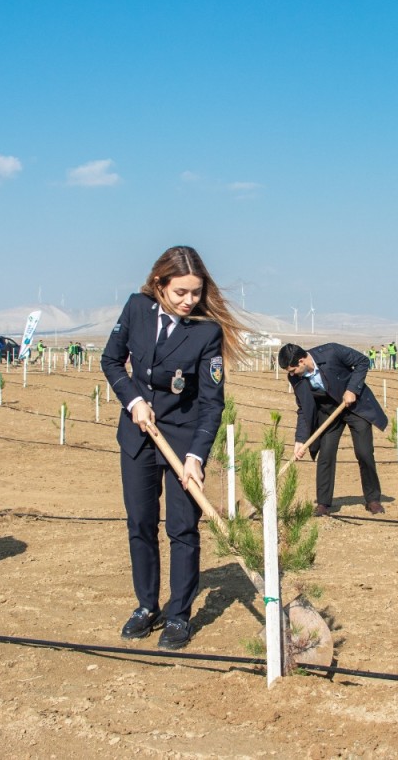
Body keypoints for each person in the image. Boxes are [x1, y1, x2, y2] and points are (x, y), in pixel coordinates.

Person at [101, 245, 244, 651]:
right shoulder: (135, 309)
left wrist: (196, 457)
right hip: (137, 435)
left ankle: (179, 615)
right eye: (180, 292)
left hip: (182, 442)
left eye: (195, 293)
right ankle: (147, 606)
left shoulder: (205, 331)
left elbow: (211, 402)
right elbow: (111, 361)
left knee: (182, 529)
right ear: (159, 284)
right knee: (141, 525)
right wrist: (133, 400)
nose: (189, 301)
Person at [279, 342, 389, 516]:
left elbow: (362, 361)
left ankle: (373, 499)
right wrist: (300, 440)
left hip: (354, 406)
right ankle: (323, 504)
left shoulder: (331, 352)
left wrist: (352, 389)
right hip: (329, 412)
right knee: (326, 454)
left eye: (292, 370)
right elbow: (303, 408)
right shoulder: (295, 378)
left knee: (364, 452)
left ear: (301, 361)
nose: (291, 375)